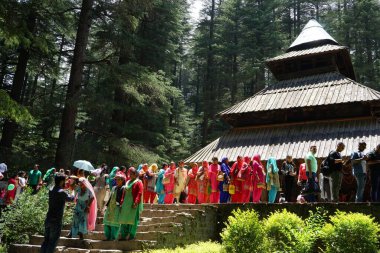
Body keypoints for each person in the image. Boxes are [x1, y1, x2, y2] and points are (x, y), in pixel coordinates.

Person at [40, 173, 74, 253]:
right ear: (62, 181)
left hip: (48, 218)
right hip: (56, 220)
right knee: (52, 242)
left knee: (46, 241)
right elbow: (71, 199)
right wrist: (73, 192)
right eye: (65, 181)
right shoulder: (61, 192)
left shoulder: (51, 190)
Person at [118, 168, 143, 240]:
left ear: (135, 174)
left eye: (131, 174)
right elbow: (124, 193)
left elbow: (139, 193)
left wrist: (136, 202)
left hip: (133, 204)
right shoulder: (127, 182)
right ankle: (123, 235)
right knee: (124, 219)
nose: (130, 175)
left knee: (132, 220)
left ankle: (131, 235)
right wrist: (121, 203)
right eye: (129, 174)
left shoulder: (139, 182)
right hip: (125, 204)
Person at [103, 172, 125, 241]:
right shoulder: (113, 188)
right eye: (116, 180)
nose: (117, 181)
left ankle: (113, 238)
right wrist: (106, 206)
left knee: (114, 224)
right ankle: (108, 237)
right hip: (110, 207)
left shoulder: (124, 188)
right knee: (107, 222)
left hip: (117, 208)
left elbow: (123, 199)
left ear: (122, 180)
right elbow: (110, 197)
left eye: (119, 179)